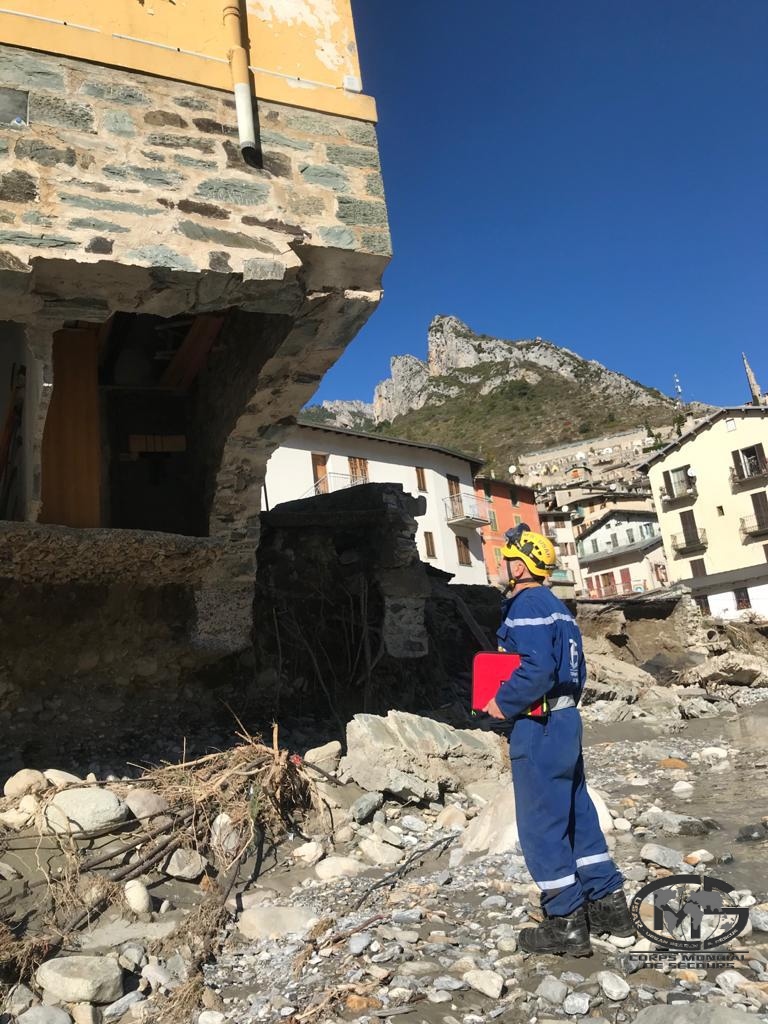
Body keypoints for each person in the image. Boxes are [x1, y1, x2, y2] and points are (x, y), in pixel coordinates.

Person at [483, 524, 634, 956]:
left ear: (520, 566)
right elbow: (575, 670)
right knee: (577, 815)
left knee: (541, 825)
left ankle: (565, 921)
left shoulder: (526, 604)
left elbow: (536, 668)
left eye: (508, 559)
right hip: (567, 720)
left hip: (540, 724)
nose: (503, 566)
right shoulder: (559, 608)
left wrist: (501, 702)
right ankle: (610, 908)